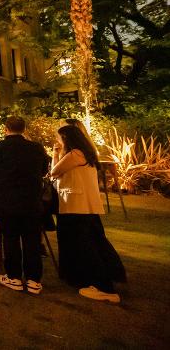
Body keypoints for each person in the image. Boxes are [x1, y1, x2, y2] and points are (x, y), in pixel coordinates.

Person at [51, 124, 126, 303]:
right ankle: (104, 277)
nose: (57, 141)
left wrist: (55, 154)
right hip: (86, 206)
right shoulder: (86, 153)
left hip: (76, 206)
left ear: (66, 139)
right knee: (94, 241)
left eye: (59, 138)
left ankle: (104, 287)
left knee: (85, 246)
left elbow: (54, 172)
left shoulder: (74, 154)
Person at [0, 116, 50, 294]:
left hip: (8, 201)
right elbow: (44, 170)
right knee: (32, 240)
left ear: (6, 128)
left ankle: (14, 277)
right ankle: (34, 280)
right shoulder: (36, 148)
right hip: (32, 201)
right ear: (24, 129)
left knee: (11, 238)